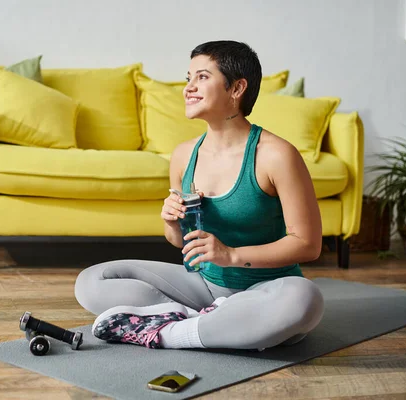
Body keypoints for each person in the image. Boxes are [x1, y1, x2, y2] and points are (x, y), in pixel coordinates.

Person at [74, 40, 325, 351]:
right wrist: (170, 221)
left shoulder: (276, 155)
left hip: (268, 289)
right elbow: (182, 243)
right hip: (204, 287)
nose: (188, 88)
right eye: (188, 78)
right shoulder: (183, 155)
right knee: (91, 281)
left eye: (202, 77)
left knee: (306, 300)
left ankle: (171, 333)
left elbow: (308, 244)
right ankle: (208, 323)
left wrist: (231, 255)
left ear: (237, 88)